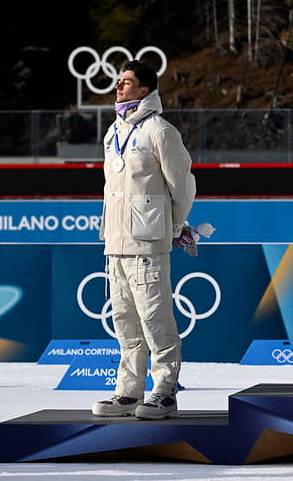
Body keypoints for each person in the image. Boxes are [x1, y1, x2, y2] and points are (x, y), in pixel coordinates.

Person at [92, 60, 196, 420]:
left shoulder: (160, 131)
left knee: (155, 319)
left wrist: (172, 226)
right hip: (116, 244)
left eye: (126, 82)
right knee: (124, 320)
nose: (118, 88)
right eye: (118, 82)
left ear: (145, 90)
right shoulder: (112, 132)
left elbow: (182, 185)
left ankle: (165, 389)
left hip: (148, 244)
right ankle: (129, 390)